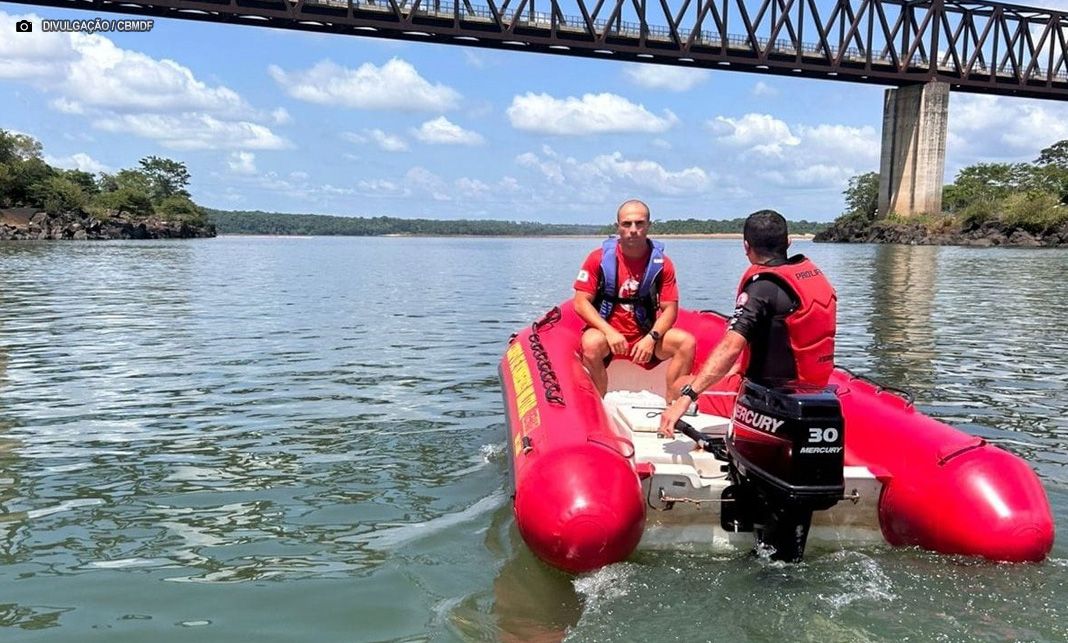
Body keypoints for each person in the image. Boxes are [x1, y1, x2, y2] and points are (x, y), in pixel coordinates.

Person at [658, 209, 837, 437]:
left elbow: (731, 347)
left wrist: (686, 397)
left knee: (679, 384)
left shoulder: (761, 289)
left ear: (746, 247)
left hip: (768, 398)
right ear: (789, 242)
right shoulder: (811, 277)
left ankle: (668, 427)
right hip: (813, 388)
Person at [573, 199, 695, 400]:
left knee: (686, 343)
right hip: (607, 335)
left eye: (639, 223)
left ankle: (673, 405)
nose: (633, 230)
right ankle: (598, 404)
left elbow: (670, 310)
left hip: (645, 334)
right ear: (617, 226)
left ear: (649, 225)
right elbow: (580, 302)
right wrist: (610, 332)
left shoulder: (663, 264)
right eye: (627, 224)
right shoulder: (598, 259)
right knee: (591, 343)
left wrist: (651, 338)